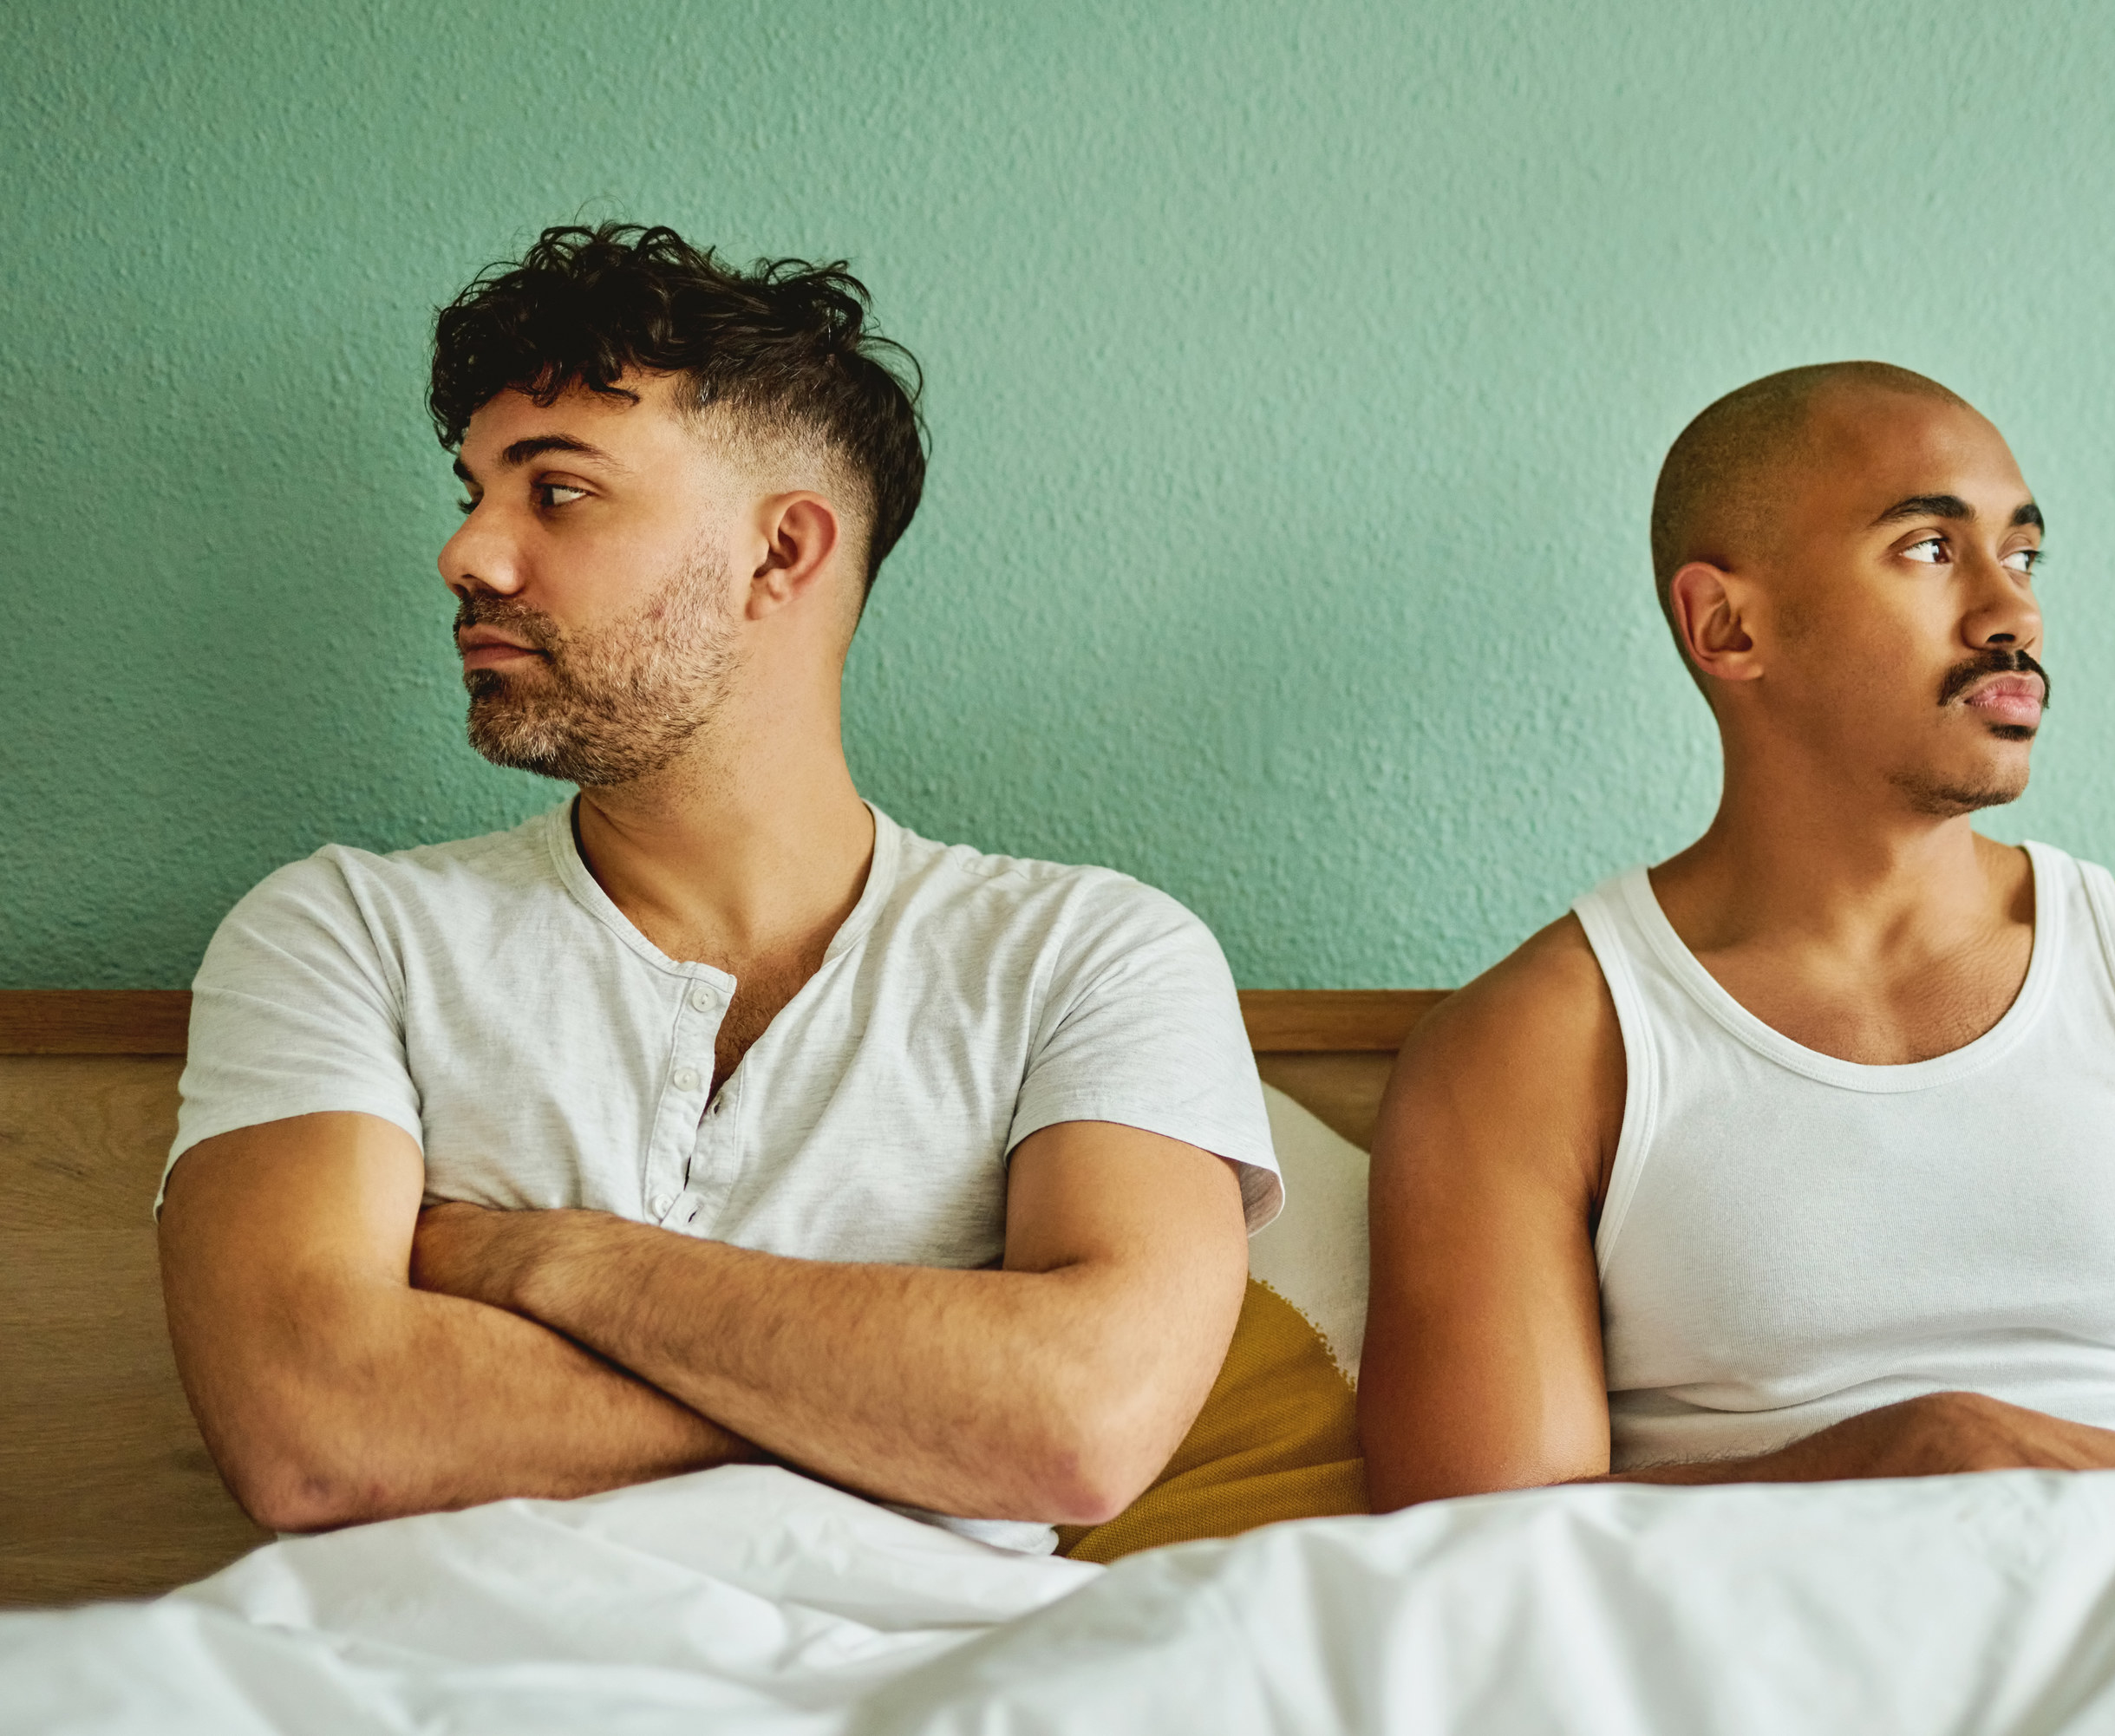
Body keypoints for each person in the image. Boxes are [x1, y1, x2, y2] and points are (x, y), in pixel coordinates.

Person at [157, 225, 1279, 1555]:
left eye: (554, 491)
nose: (468, 554)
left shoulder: (1093, 955)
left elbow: (1081, 1426)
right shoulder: (344, 934)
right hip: (427, 1682)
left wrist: (545, 1260)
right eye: (469, 494)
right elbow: (316, 1433)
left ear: (781, 554)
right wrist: (920, 1417)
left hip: (940, 1682)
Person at [1358, 362, 2115, 1507]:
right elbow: (1476, 1555)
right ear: (1728, 626)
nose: (2011, 610)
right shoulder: (1533, 1049)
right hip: (1741, 1672)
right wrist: (1902, 1454)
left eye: (2020, 555)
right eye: (1931, 548)